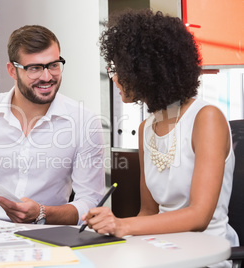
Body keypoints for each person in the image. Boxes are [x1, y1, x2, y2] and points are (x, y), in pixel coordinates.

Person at [81, 9, 238, 267]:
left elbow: (199, 216)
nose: (115, 78)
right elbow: (148, 212)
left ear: (146, 71)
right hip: (160, 250)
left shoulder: (206, 118)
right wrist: (114, 229)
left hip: (206, 253)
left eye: (119, 69)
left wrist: (122, 225)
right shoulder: (146, 128)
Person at [0, 25, 105, 225]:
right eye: (34, 68)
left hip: (49, 235)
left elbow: (90, 203)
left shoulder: (84, 122)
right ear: (12, 70)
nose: (46, 77)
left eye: (53, 65)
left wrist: (42, 212)